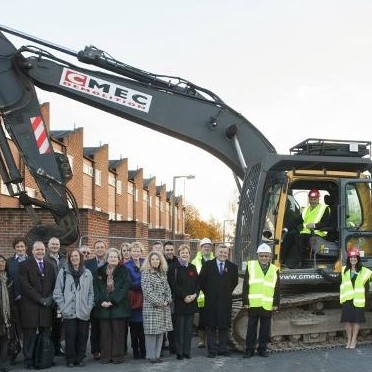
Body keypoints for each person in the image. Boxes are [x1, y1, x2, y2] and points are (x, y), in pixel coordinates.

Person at [18, 241, 56, 369]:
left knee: (46, 333)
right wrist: (40, 299)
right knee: (30, 334)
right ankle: (29, 360)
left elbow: (54, 285)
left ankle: (45, 358)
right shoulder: (24, 265)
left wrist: (50, 298)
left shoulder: (50, 266)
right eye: (37, 249)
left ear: (45, 251)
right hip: (30, 306)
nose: (40, 252)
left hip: (46, 306)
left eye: (42, 249)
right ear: (32, 251)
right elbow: (25, 286)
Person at [53, 248, 94, 367]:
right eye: (72, 257)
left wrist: (89, 307)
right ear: (69, 259)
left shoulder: (87, 273)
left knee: (82, 336)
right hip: (68, 310)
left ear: (80, 258)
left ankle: (80, 359)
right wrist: (63, 307)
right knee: (70, 337)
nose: (74, 258)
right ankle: (70, 359)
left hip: (83, 311)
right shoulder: (64, 272)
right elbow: (57, 292)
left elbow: (91, 293)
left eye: (76, 256)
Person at [199, 243, 238, 358]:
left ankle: (222, 348)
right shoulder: (207, 265)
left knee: (223, 326)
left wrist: (223, 294)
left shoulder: (232, 267)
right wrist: (210, 293)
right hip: (210, 301)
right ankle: (211, 350)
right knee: (211, 326)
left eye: (225, 253)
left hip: (225, 301)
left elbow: (234, 283)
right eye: (221, 252)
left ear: (228, 254)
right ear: (216, 252)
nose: (223, 254)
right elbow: (202, 282)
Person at [94, 248, 131, 364]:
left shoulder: (124, 270)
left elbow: (125, 287)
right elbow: (96, 287)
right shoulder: (100, 271)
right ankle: (105, 356)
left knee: (118, 333)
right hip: (103, 307)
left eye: (115, 257)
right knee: (105, 334)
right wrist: (101, 301)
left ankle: (117, 356)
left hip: (119, 306)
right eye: (111, 257)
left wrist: (113, 301)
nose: (113, 259)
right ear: (107, 258)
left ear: (119, 258)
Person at [242, 243, 280, 358]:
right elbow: (246, 286)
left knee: (265, 329)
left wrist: (275, 303)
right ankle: (249, 350)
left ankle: (262, 349)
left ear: (270, 257)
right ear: (258, 256)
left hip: (267, 304)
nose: (264, 258)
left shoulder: (274, 270)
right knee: (251, 328)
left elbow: (277, 288)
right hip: (253, 304)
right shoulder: (251, 266)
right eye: (262, 256)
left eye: (266, 256)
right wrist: (245, 302)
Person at [282, 189, 331, 268]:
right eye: (311, 199)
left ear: (318, 199)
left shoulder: (324, 209)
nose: (313, 201)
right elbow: (297, 221)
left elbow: (327, 223)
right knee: (289, 236)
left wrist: (314, 225)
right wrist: (286, 229)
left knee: (299, 238)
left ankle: (299, 263)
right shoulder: (306, 209)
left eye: (315, 199)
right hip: (305, 233)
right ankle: (282, 260)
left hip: (317, 234)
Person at [168, 244, 199, 360]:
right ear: (179, 254)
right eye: (182, 252)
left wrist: (195, 294)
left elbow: (198, 283)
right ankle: (179, 352)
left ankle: (187, 351)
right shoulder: (173, 268)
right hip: (180, 303)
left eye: (187, 252)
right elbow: (173, 285)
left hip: (191, 302)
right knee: (179, 330)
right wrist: (184, 296)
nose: (185, 254)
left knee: (188, 330)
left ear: (189, 254)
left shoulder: (193, 267)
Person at [141, 251, 173, 363]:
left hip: (163, 308)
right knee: (151, 333)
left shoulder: (162, 273)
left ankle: (157, 355)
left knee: (160, 332)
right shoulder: (146, 273)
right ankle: (151, 356)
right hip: (152, 308)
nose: (155, 261)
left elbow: (167, 289)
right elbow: (147, 292)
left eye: (157, 259)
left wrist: (168, 300)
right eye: (153, 259)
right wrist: (161, 302)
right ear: (149, 261)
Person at [340, 247, 372, 349]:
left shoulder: (364, 271)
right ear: (349, 259)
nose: (353, 259)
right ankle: (349, 340)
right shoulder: (344, 270)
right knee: (347, 321)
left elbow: (367, 287)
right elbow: (337, 280)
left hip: (358, 300)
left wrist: (364, 297)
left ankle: (354, 340)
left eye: (355, 257)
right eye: (351, 257)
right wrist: (323, 274)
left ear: (358, 258)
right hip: (347, 299)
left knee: (356, 321)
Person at [6, 237, 28, 364]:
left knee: (28, 328)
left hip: (29, 301)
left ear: (26, 247)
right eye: (18, 247)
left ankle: (28, 354)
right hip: (14, 300)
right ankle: (14, 351)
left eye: (22, 246)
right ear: (14, 248)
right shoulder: (9, 262)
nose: (20, 249)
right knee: (14, 329)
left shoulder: (31, 260)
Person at [85, 240, 108, 360]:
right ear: (94, 249)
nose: (99, 249)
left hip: (107, 299)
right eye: (97, 247)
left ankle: (105, 349)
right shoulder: (87, 263)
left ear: (105, 248)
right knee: (95, 327)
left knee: (105, 327)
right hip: (93, 299)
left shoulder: (110, 262)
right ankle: (95, 350)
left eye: (102, 247)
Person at [45, 236, 67, 356]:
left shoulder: (64, 259)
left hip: (61, 298)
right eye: (52, 244)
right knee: (47, 324)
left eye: (56, 244)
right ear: (48, 246)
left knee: (58, 324)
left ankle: (57, 347)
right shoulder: (44, 258)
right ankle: (47, 348)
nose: (54, 246)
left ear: (59, 246)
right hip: (48, 297)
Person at [191, 237, 214, 348]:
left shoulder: (215, 259)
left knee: (211, 319)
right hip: (200, 296)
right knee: (201, 320)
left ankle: (211, 340)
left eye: (208, 246)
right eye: (205, 246)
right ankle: (201, 340)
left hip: (212, 295)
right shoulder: (195, 262)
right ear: (201, 248)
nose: (207, 248)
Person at [125, 242, 146, 359]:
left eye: (138, 251)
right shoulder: (127, 265)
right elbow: (129, 283)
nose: (136, 253)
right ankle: (135, 352)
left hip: (145, 300)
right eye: (134, 251)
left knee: (143, 328)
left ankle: (143, 350)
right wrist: (143, 283)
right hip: (134, 300)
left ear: (141, 252)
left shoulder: (145, 262)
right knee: (134, 329)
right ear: (130, 252)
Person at [0, 254, 18, 371]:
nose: (1, 264)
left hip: (7, 314)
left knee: (4, 340)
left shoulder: (8, 278)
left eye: (3, 262)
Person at [164, 241, 177, 354]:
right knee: (162, 322)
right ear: (164, 251)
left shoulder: (178, 261)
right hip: (162, 296)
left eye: (171, 249)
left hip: (174, 296)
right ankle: (162, 346)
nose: (169, 252)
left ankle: (173, 346)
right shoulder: (160, 261)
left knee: (173, 321)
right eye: (167, 250)